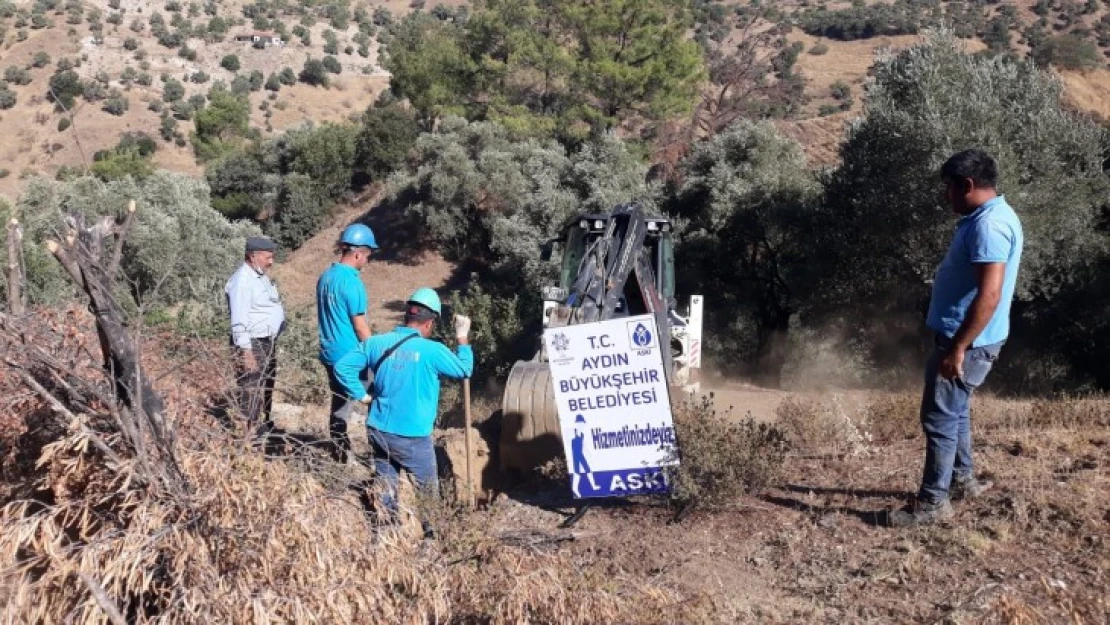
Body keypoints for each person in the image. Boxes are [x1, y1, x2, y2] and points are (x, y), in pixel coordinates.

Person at [890, 149, 1023, 527]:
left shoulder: (988, 227)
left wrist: (959, 348)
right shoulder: (992, 214)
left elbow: (990, 295)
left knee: (939, 418)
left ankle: (933, 505)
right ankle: (963, 481)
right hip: (970, 340)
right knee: (956, 411)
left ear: (967, 185)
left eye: (949, 188)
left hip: (968, 343)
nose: (945, 196)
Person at [334, 287, 472, 537]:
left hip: (378, 429)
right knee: (427, 493)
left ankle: (387, 538)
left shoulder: (376, 343)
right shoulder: (433, 351)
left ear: (407, 316)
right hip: (412, 436)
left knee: (386, 483)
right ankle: (432, 541)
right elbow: (464, 370)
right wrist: (462, 338)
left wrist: (362, 395)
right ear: (429, 323)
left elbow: (342, 367)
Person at [316, 223, 378, 463]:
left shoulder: (326, 276)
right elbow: (360, 325)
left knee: (340, 404)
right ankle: (379, 456)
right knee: (377, 402)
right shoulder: (352, 281)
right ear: (358, 253)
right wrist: (376, 354)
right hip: (352, 355)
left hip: (329, 353)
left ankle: (341, 454)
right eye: (368, 255)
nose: (368, 261)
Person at [224, 235, 286, 439]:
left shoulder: (259, 276)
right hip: (252, 344)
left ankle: (263, 426)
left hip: (267, 342)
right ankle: (248, 438)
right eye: (267, 257)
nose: (271, 261)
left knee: (265, 385)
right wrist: (246, 352)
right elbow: (239, 319)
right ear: (253, 256)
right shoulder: (242, 281)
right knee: (250, 389)